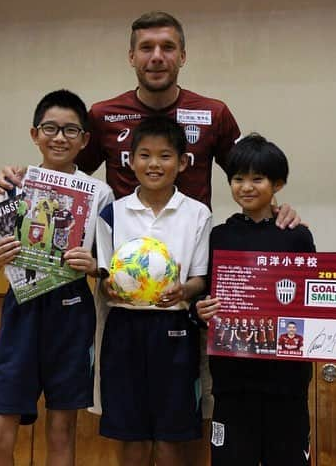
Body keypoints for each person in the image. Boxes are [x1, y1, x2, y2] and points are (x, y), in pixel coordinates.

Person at [0, 11, 300, 228]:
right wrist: (19, 180)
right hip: (122, 255)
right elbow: (65, 174)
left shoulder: (213, 113)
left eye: (167, 47)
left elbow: (247, 173)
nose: (156, 56)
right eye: (146, 48)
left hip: (189, 255)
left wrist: (274, 211)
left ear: (182, 56)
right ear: (131, 57)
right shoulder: (101, 115)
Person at [0, 89, 114, 466]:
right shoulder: (14, 184)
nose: (59, 137)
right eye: (50, 128)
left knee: (61, 430)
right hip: (21, 308)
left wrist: (93, 265)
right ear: (34, 133)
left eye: (71, 130)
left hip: (71, 310)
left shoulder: (100, 194)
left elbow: (106, 263)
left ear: (85, 140)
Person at [95, 116, 211, 466]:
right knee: (131, 435)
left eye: (165, 156)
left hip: (174, 332)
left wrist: (183, 290)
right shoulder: (111, 213)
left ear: (182, 162)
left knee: (170, 436)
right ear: (130, 161)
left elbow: (200, 278)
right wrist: (109, 286)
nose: (154, 164)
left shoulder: (198, 214)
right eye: (144, 155)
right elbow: (102, 276)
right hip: (124, 330)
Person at [196, 133, 316, 466]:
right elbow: (206, 294)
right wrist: (201, 310)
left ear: (278, 184)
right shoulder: (220, 235)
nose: (246, 187)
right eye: (238, 179)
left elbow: (312, 301)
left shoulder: (297, 235)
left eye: (257, 179)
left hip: (286, 382)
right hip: (233, 381)